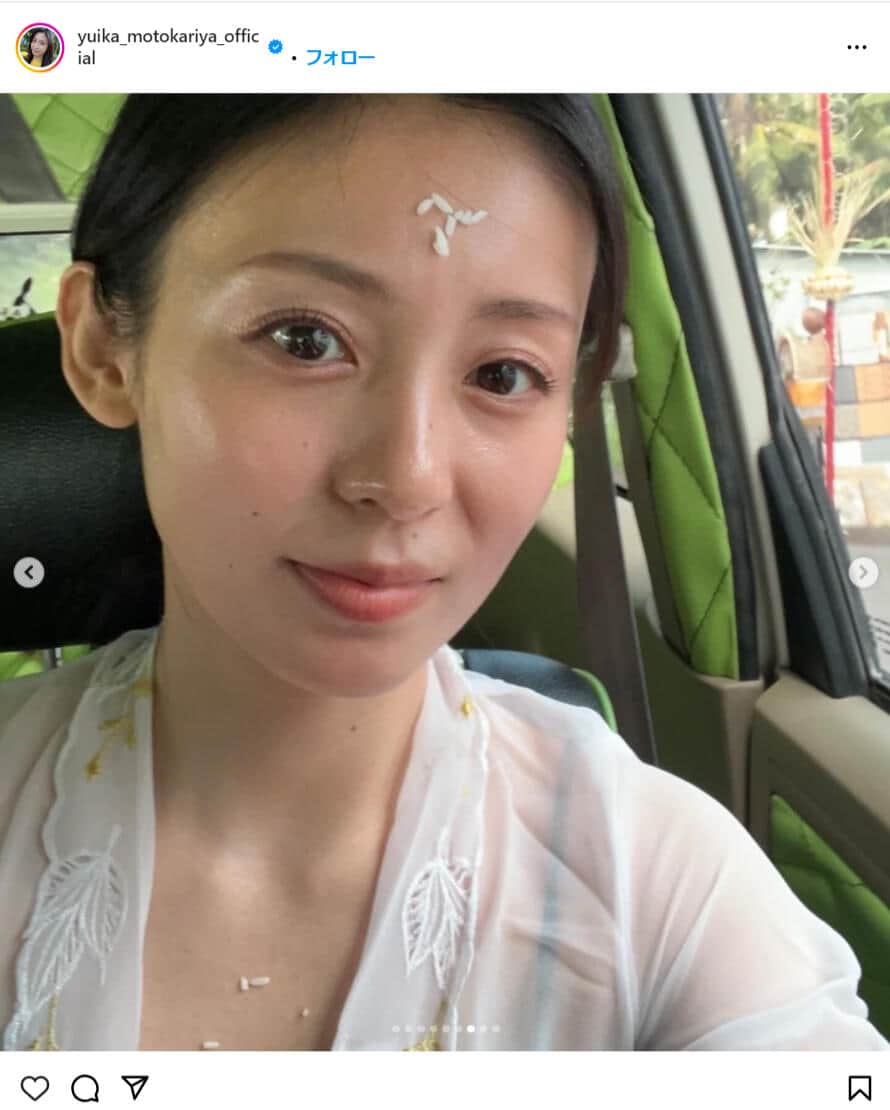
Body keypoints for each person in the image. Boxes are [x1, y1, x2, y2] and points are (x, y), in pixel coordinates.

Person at [0, 94, 887, 1053]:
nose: (409, 479)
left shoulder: (665, 891)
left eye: (504, 375)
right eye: (305, 339)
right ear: (102, 349)